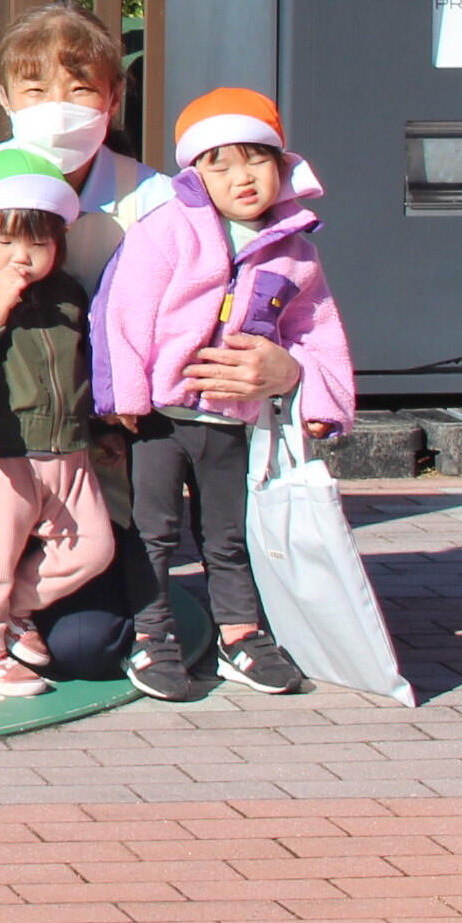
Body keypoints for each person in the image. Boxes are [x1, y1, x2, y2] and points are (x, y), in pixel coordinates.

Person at [0, 3, 172, 645]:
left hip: (86, 444)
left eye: (80, 87)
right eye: (36, 87)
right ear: (3, 97)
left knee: (87, 644)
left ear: (114, 94)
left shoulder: (154, 197)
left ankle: (12, 607)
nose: (59, 104)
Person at [93, 88, 357, 701]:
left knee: (228, 534)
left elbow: (317, 333)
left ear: (283, 165)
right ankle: (152, 638)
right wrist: (125, 397)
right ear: (194, 172)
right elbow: (125, 310)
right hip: (158, 418)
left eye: (256, 159)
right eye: (220, 163)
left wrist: (321, 403)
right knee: (153, 533)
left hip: (231, 420)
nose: (241, 177)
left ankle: (240, 634)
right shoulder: (167, 231)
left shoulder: (296, 251)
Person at [0, 146, 116, 699]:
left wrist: (102, 429)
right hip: (3, 449)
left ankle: (13, 610)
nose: (23, 256)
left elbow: (87, 364)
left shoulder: (68, 293)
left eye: (39, 241)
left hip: (69, 449)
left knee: (92, 548)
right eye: (5, 241)